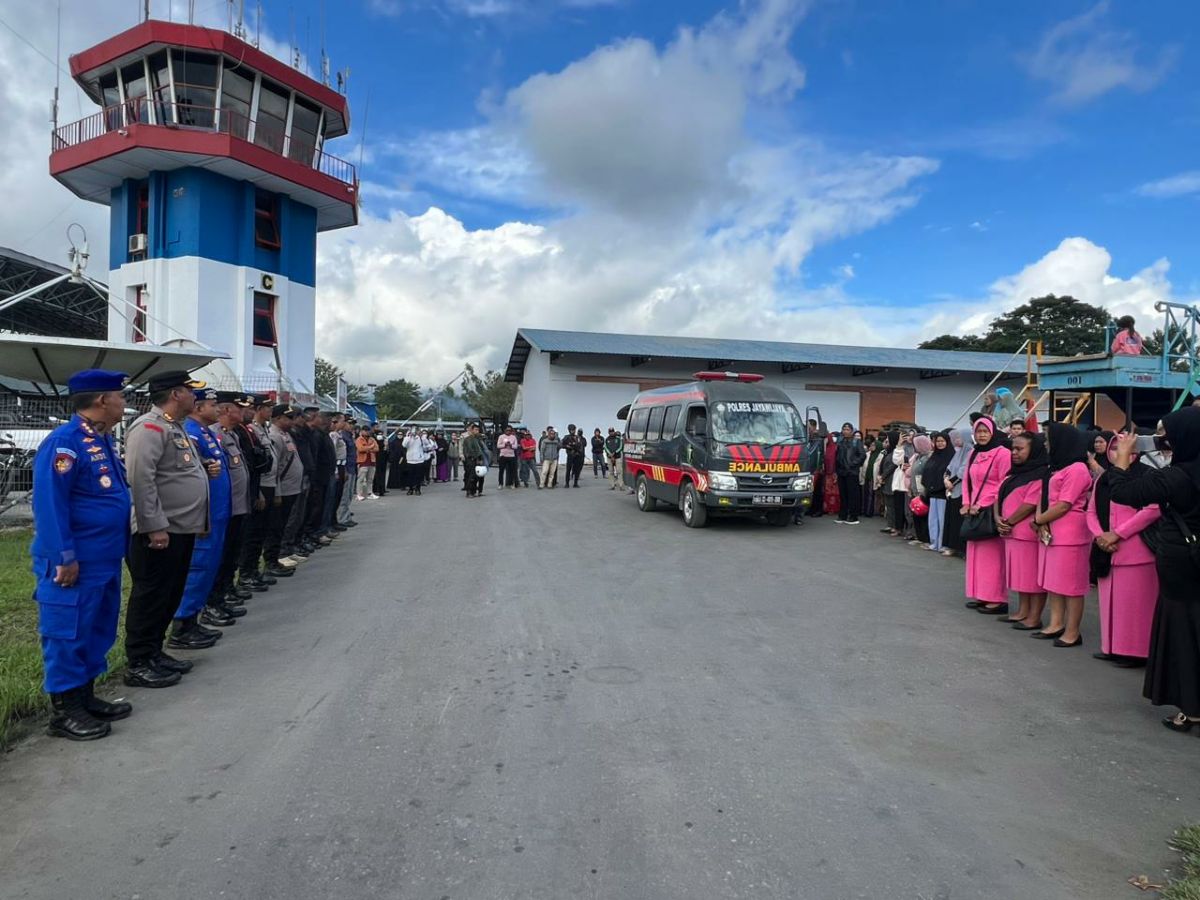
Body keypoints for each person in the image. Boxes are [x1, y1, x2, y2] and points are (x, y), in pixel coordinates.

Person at [30, 369, 133, 739]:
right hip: (76, 561)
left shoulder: (98, 439)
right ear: (102, 400)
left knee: (96, 628)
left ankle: (85, 696)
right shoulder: (65, 443)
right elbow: (50, 505)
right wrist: (64, 556)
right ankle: (65, 711)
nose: (124, 403)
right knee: (67, 632)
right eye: (120, 396)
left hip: (103, 556)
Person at [1107, 412, 1200, 732]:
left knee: (1184, 633)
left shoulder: (1176, 476)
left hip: (1182, 563)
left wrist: (1122, 458)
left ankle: (1192, 707)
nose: (1163, 441)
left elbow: (1123, 492)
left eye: (1167, 435)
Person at [123, 370, 209, 688]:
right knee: (151, 596)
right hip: (160, 530)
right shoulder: (148, 428)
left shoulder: (174, 426)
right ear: (175, 394)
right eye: (190, 390)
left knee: (169, 594)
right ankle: (139, 661)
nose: (194, 396)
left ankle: (154, 652)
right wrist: (153, 526)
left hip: (180, 528)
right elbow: (140, 480)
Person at [1087, 435, 1161, 667]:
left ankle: (1136, 651)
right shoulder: (1104, 478)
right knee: (1109, 603)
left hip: (1136, 550)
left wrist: (1117, 533)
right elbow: (1090, 511)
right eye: (1114, 448)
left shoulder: (1147, 475)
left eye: (1123, 448)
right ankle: (1111, 646)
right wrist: (1100, 535)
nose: (1117, 453)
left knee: (1136, 605)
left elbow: (1152, 509)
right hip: (1106, 549)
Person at [170, 387, 233, 647]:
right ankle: (182, 626)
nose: (218, 409)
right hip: (203, 516)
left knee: (208, 567)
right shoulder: (192, 433)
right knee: (196, 569)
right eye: (212, 404)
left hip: (217, 513)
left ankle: (193, 620)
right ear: (198, 407)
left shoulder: (206, 432)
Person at [1029, 423, 1093, 647]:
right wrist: (1040, 520)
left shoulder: (1077, 469)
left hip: (1070, 534)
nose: (1046, 444)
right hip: (1051, 529)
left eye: (1049, 440)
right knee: (1055, 582)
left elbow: (1065, 504)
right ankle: (1056, 623)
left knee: (1071, 586)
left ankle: (1072, 631)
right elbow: (1043, 496)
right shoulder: (1056, 467)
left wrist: (1039, 520)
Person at [996, 432, 1049, 630]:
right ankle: (1022, 611)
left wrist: (1009, 522)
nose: (1014, 453)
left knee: (1031, 578)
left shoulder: (1040, 474)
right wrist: (998, 519)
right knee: (1020, 576)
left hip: (1026, 534)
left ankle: (1034, 617)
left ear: (1033, 450)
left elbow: (1029, 504)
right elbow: (998, 496)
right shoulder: (1014, 472)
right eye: (1013, 449)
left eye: (1019, 449)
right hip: (1011, 532)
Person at [209, 392, 253, 617]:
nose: (244, 412)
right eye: (239, 408)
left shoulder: (231, 434)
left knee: (232, 552)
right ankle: (215, 598)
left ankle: (226, 590)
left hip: (237, 504)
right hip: (226, 507)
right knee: (222, 555)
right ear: (227, 410)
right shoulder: (215, 434)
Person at [962, 416, 1012, 614]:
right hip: (973, 509)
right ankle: (981, 594)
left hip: (992, 510)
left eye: (985, 431)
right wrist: (966, 503)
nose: (981, 435)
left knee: (992, 558)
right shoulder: (973, 453)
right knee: (976, 555)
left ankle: (997, 598)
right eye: (978, 431)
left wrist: (983, 504)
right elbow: (966, 480)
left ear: (992, 432)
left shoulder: (1002, 453)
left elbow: (1004, 482)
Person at [238, 396, 277, 591]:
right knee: (251, 534)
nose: (250, 411)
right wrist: (258, 491)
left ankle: (252, 571)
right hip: (258, 487)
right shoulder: (248, 430)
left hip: (265, 485)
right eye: (267, 408)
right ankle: (246, 574)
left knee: (260, 532)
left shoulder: (259, 430)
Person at [263, 405, 303, 577]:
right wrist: (277, 492)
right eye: (288, 418)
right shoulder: (274, 436)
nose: (292, 421)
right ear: (278, 418)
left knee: (284, 524)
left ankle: (277, 557)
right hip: (283, 490)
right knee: (276, 527)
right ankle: (272, 560)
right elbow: (275, 468)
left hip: (291, 488)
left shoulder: (286, 435)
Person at [941, 427, 971, 558]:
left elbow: (963, 471)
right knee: (951, 520)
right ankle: (951, 546)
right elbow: (949, 467)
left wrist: (951, 482)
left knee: (960, 521)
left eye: (959, 437)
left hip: (962, 491)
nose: (957, 440)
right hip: (952, 490)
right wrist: (946, 479)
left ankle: (962, 549)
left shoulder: (970, 452)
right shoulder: (958, 452)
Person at [922, 431, 954, 552]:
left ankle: (942, 544)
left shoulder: (951, 457)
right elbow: (927, 472)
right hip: (932, 493)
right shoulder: (934, 456)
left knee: (942, 519)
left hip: (943, 493)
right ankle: (934, 542)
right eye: (938, 441)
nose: (940, 444)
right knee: (933, 520)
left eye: (942, 441)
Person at [834, 423, 866, 525]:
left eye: (847, 429)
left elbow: (862, 455)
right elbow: (837, 456)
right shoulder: (840, 442)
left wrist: (852, 464)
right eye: (844, 429)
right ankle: (842, 515)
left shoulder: (857, 442)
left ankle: (853, 516)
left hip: (852, 472)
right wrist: (837, 469)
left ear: (852, 431)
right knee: (843, 495)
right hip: (841, 472)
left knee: (853, 495)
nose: (845, 431)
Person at [908, 433, 933, 546]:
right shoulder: (918, 457)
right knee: (916, 514)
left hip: (923, 491)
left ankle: (926, 539)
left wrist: (923, 491)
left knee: (924, 515)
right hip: (915, 490)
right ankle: (919, 537)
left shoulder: (928, 458)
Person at [461, 422, 486, 498]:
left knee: (478, 476)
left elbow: (481, 449)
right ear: (471, 430)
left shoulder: (478, 439)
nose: (477, 431)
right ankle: (469, 492)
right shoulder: (468, 439)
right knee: (471, 476)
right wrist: (476, 457)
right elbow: (470, 450)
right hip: (471, 459)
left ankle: (474, 491)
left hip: (478, 459)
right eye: (475, 429)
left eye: (478, 430)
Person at [355, 426, 379, 500]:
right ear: (362, 431)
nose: (367, 432)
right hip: (362, 462)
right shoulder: (359, 439)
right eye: (365, 431)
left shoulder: (372, 439)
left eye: (368, 431)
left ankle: (370, 493)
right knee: (361, 479)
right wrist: (371, 447)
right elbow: (360, 449)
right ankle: (359, 494)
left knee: (370, 479)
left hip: (372, 461)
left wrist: (367, 448)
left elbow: (377, 448)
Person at [604, 427, 624, 492]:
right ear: (608, 432)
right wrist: (610, 453)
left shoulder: (618, 439)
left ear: (614, 431)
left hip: (617, 456)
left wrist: (615, 453)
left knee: (619, 471)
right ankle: (612, 485)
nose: (611, 433)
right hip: (609, 457)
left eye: (612, 431)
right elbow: (605, 447)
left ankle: (621, 485)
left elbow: (620, 447)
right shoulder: (607, 439)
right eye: (610, 432)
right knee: (611, 472)